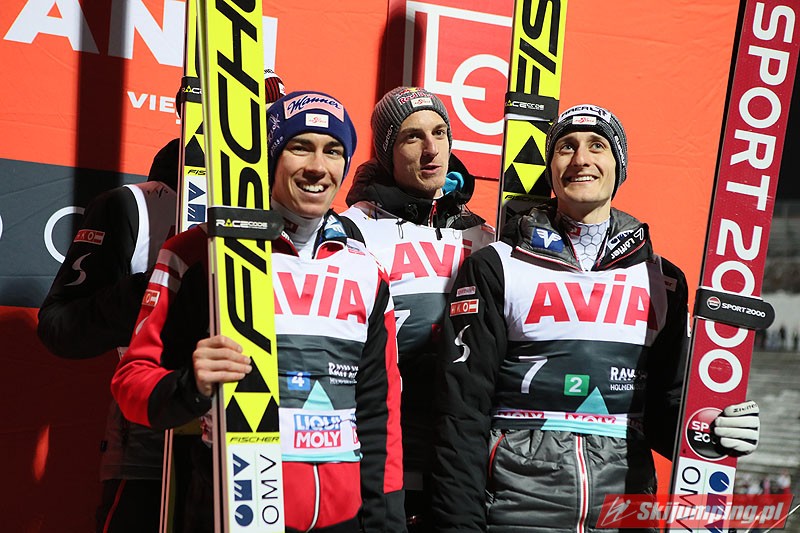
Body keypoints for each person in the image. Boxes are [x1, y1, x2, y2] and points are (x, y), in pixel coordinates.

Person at [431, 103, 761, 532]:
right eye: (566, 147)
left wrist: (711, 430)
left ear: (619, 166)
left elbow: (666, 411)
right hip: (517, 510)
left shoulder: (663, 280)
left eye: (597, 146)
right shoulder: (497, 265)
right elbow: (461, 412)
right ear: (551, 168)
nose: (581, 159)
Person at [111, 90, 405, 533]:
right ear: (270, 157)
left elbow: (380, 412)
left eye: (333, 151)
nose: (318, 167)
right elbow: (132, 381)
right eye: (300, 147)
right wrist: (190, 386)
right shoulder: (198, 253)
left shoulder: (366, 271)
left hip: (342, 518)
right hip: (236, 509)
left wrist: (385, 521)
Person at [340, 86, 495, 531]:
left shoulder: (484, 236)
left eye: (439, 133)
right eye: (412, 137)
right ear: (387, 151)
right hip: (380, 451)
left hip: (460, 460)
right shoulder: (354, 229)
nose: (431, 149)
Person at [37, 139, 179, 533]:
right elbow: (58, 325)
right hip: (152, 430)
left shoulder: (285, 203)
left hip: (259, 434)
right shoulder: (134, 204)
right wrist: (148, 295)